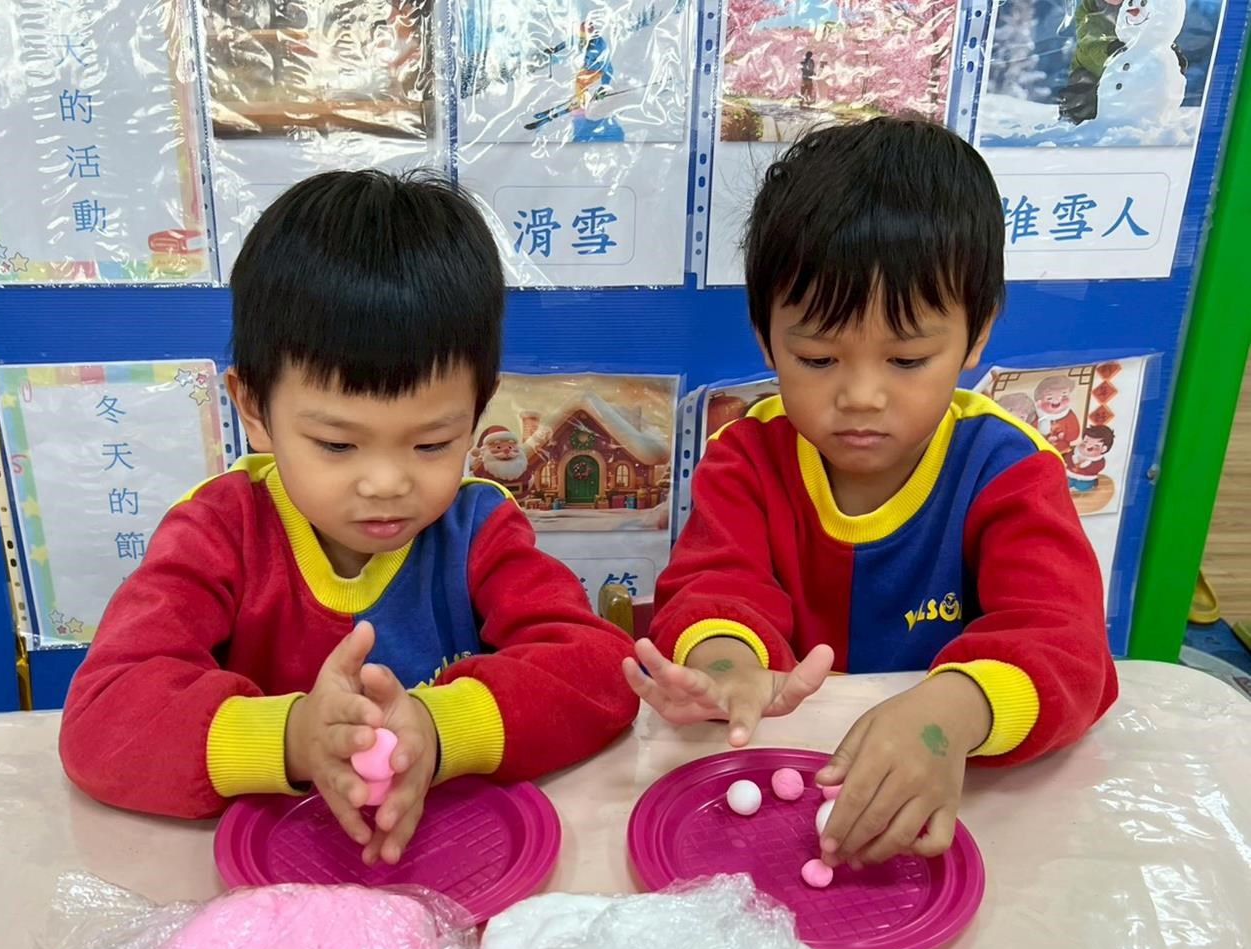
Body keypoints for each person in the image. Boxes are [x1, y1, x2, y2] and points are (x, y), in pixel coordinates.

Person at [61, 170, 638, 865]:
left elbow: (599, 672)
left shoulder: (476, 530)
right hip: (273, 877)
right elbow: (102, 722)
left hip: (449, 859)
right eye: (336, 445)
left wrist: (437, 729)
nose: (387, 483)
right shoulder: (219, 533)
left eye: (432, 443)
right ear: (253, 409)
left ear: (477, 410)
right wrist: (293, 738)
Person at [624, 118, 1117, 871]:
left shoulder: (1006, 470)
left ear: (977, 334)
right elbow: (714, 584)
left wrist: (950, 715)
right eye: (817, 358)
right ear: (764, 336)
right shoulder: (747, 458)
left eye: (907, 359)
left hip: (964, 792)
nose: (860, 396)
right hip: (782, 783)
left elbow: (1067, 645)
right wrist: (724, 666)